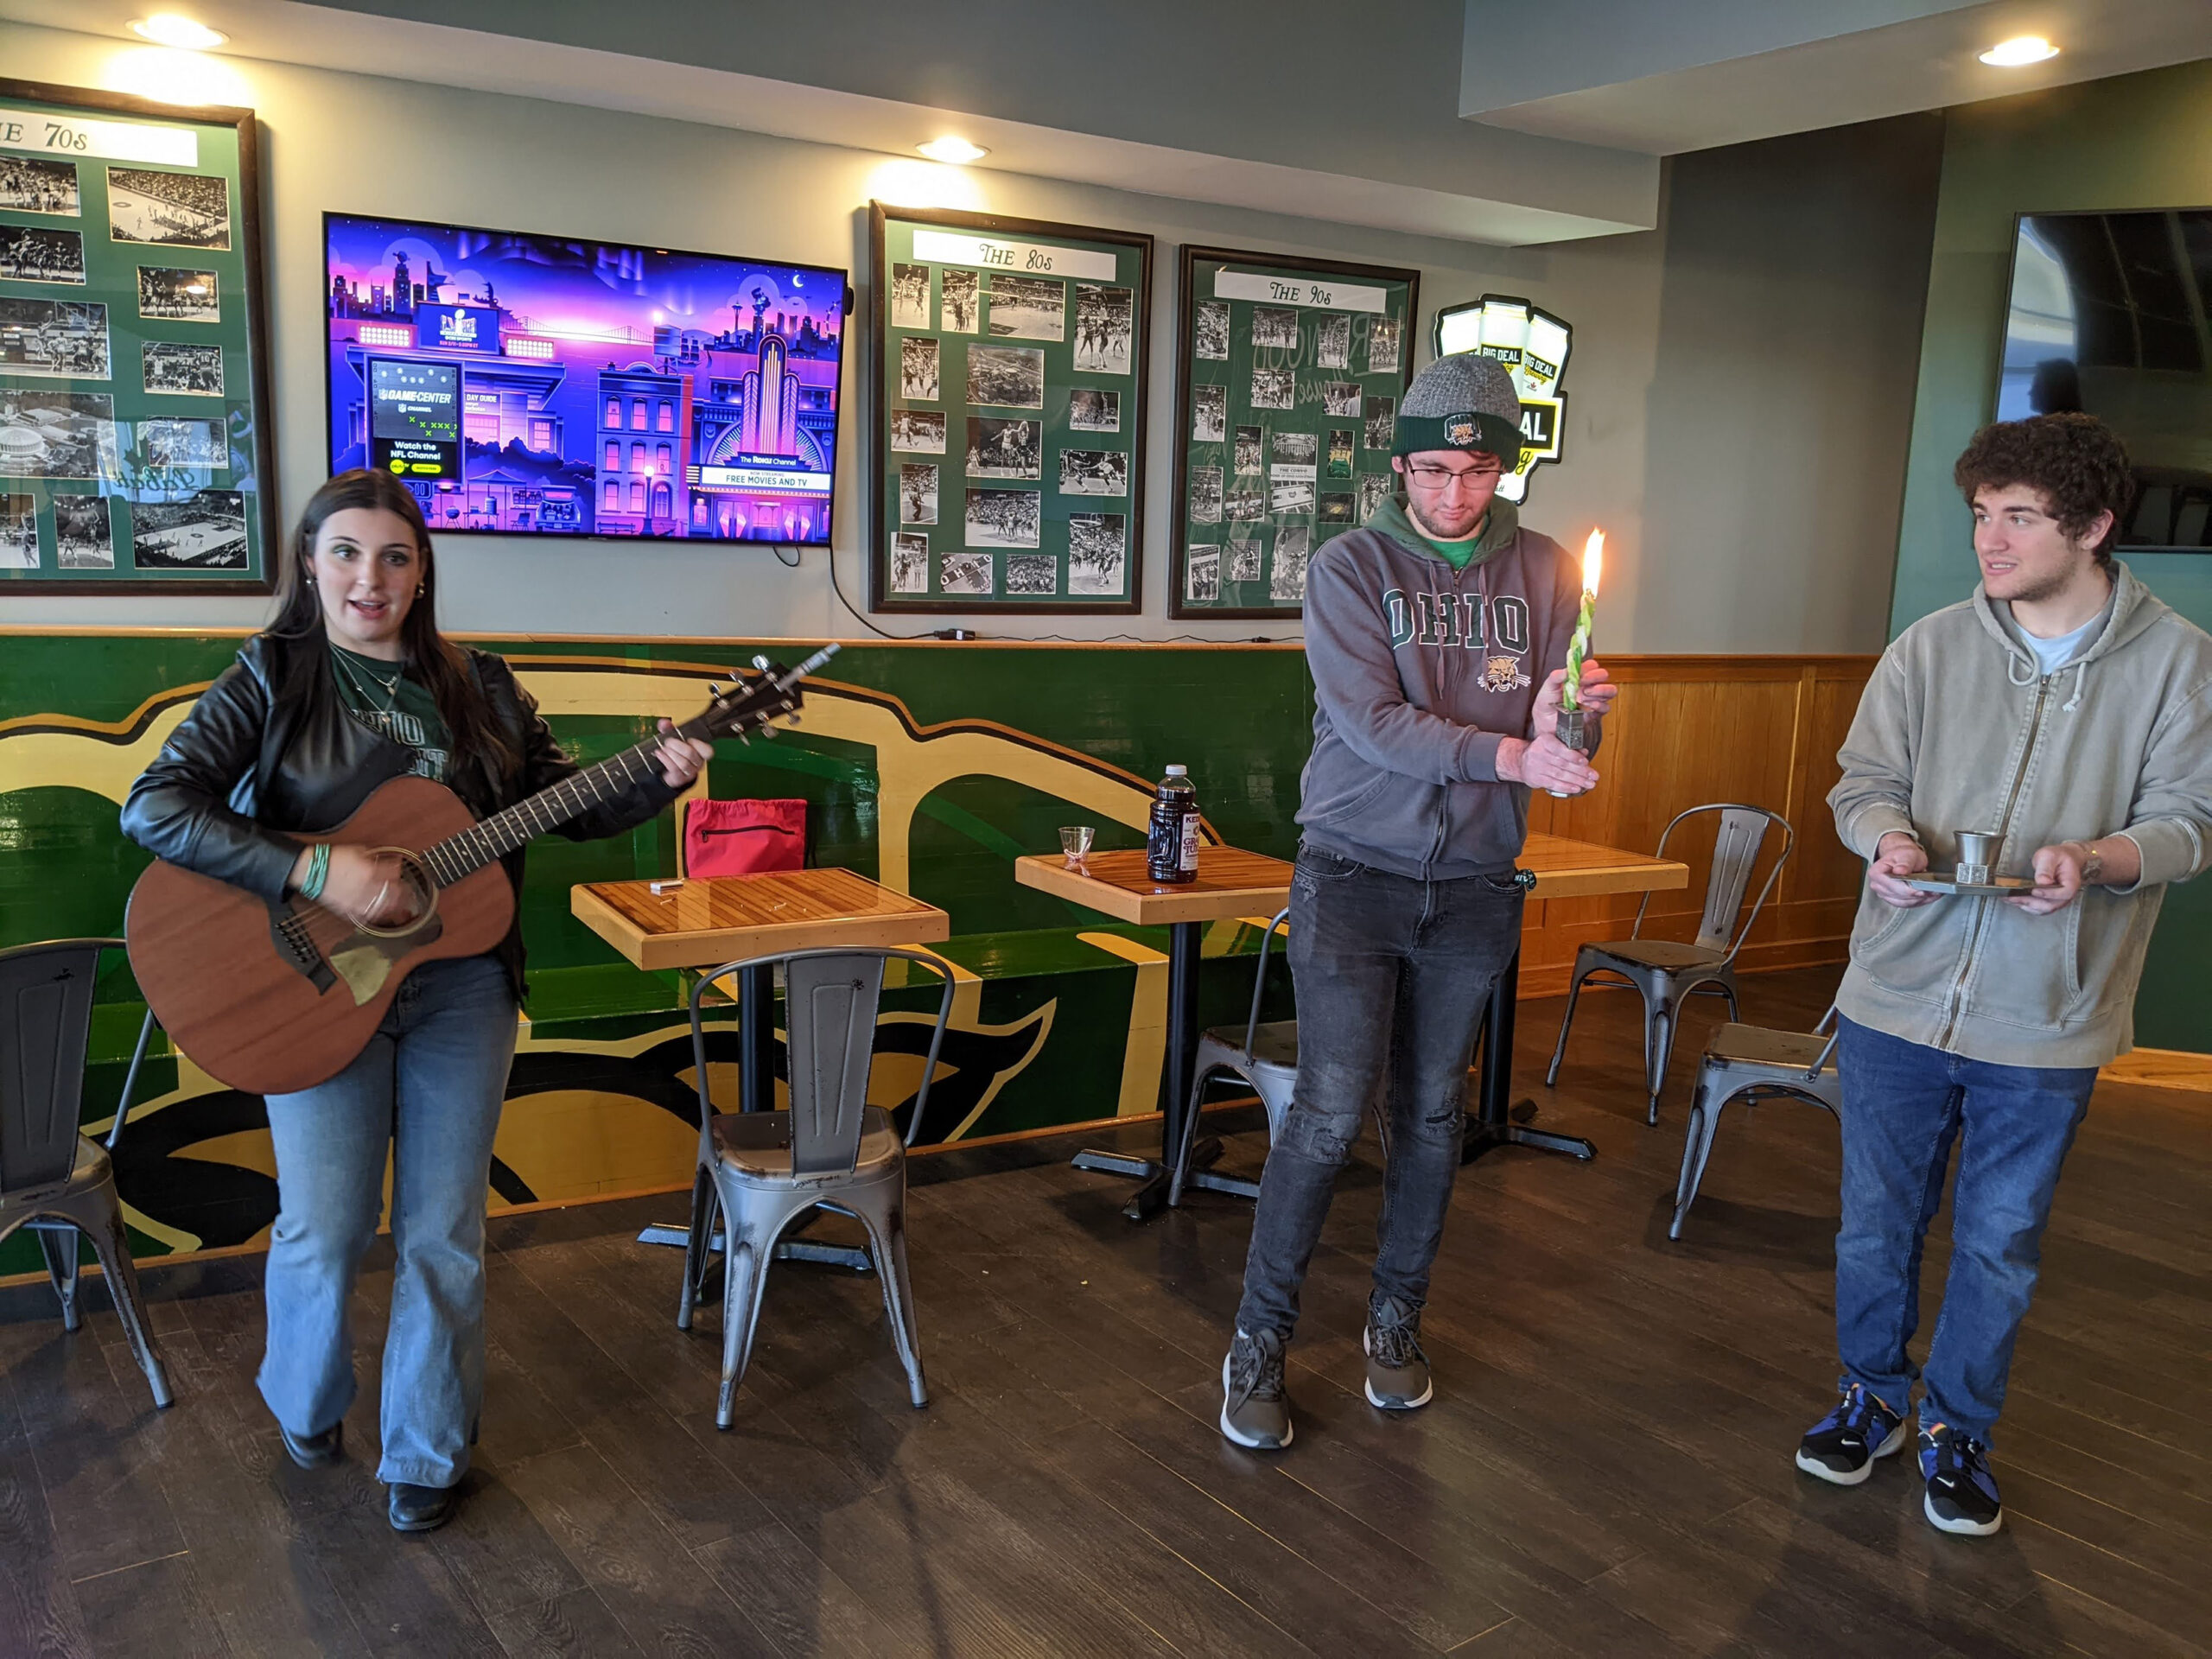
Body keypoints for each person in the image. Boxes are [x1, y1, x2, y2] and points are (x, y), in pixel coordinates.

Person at [120, 469, 714, 1533]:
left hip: (461, 986)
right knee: (326, 1227)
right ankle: (306, 1401)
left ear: (423, 569)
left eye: (394, 556)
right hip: (306, 988)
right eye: (345, 553)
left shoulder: (479, 684)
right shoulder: (270, 675)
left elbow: (552, 804)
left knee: (443, 1230)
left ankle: (425, 1455)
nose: (369, 578)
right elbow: (156, 807)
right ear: (310, 563)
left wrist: (657, 776)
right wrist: (319, 874)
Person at [1808, 413, 2212, 1535]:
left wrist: (2097, 861)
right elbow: (1862, 785)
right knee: (1872, 1227)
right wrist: (1881, 838)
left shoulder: (2181, 665)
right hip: (1893, 1000)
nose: (1989, 540)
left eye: (2019, 518)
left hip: (2047, 1017)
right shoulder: (1930, 646)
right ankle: (1870, 1400)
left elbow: (2192, 824)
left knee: (1999, 1241)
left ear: (2092, 527)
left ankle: (1956, 1432)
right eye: (1982, 515)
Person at [1219, 353, 1616, 1449]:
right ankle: (1258, 1343)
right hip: (1351, 873)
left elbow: (1559, 736)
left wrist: (1573, 719)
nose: (1453, 495)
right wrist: (1513, 752)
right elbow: (1369, 725)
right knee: (1329, 1114)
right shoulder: (1349, 566)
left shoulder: (1545, 571)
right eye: (1433, 471)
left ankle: (1395, 1323)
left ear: (1506, 470)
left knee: (1433, 1117)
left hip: (1477, 884)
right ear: (1400, 466)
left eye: (1477, 472)